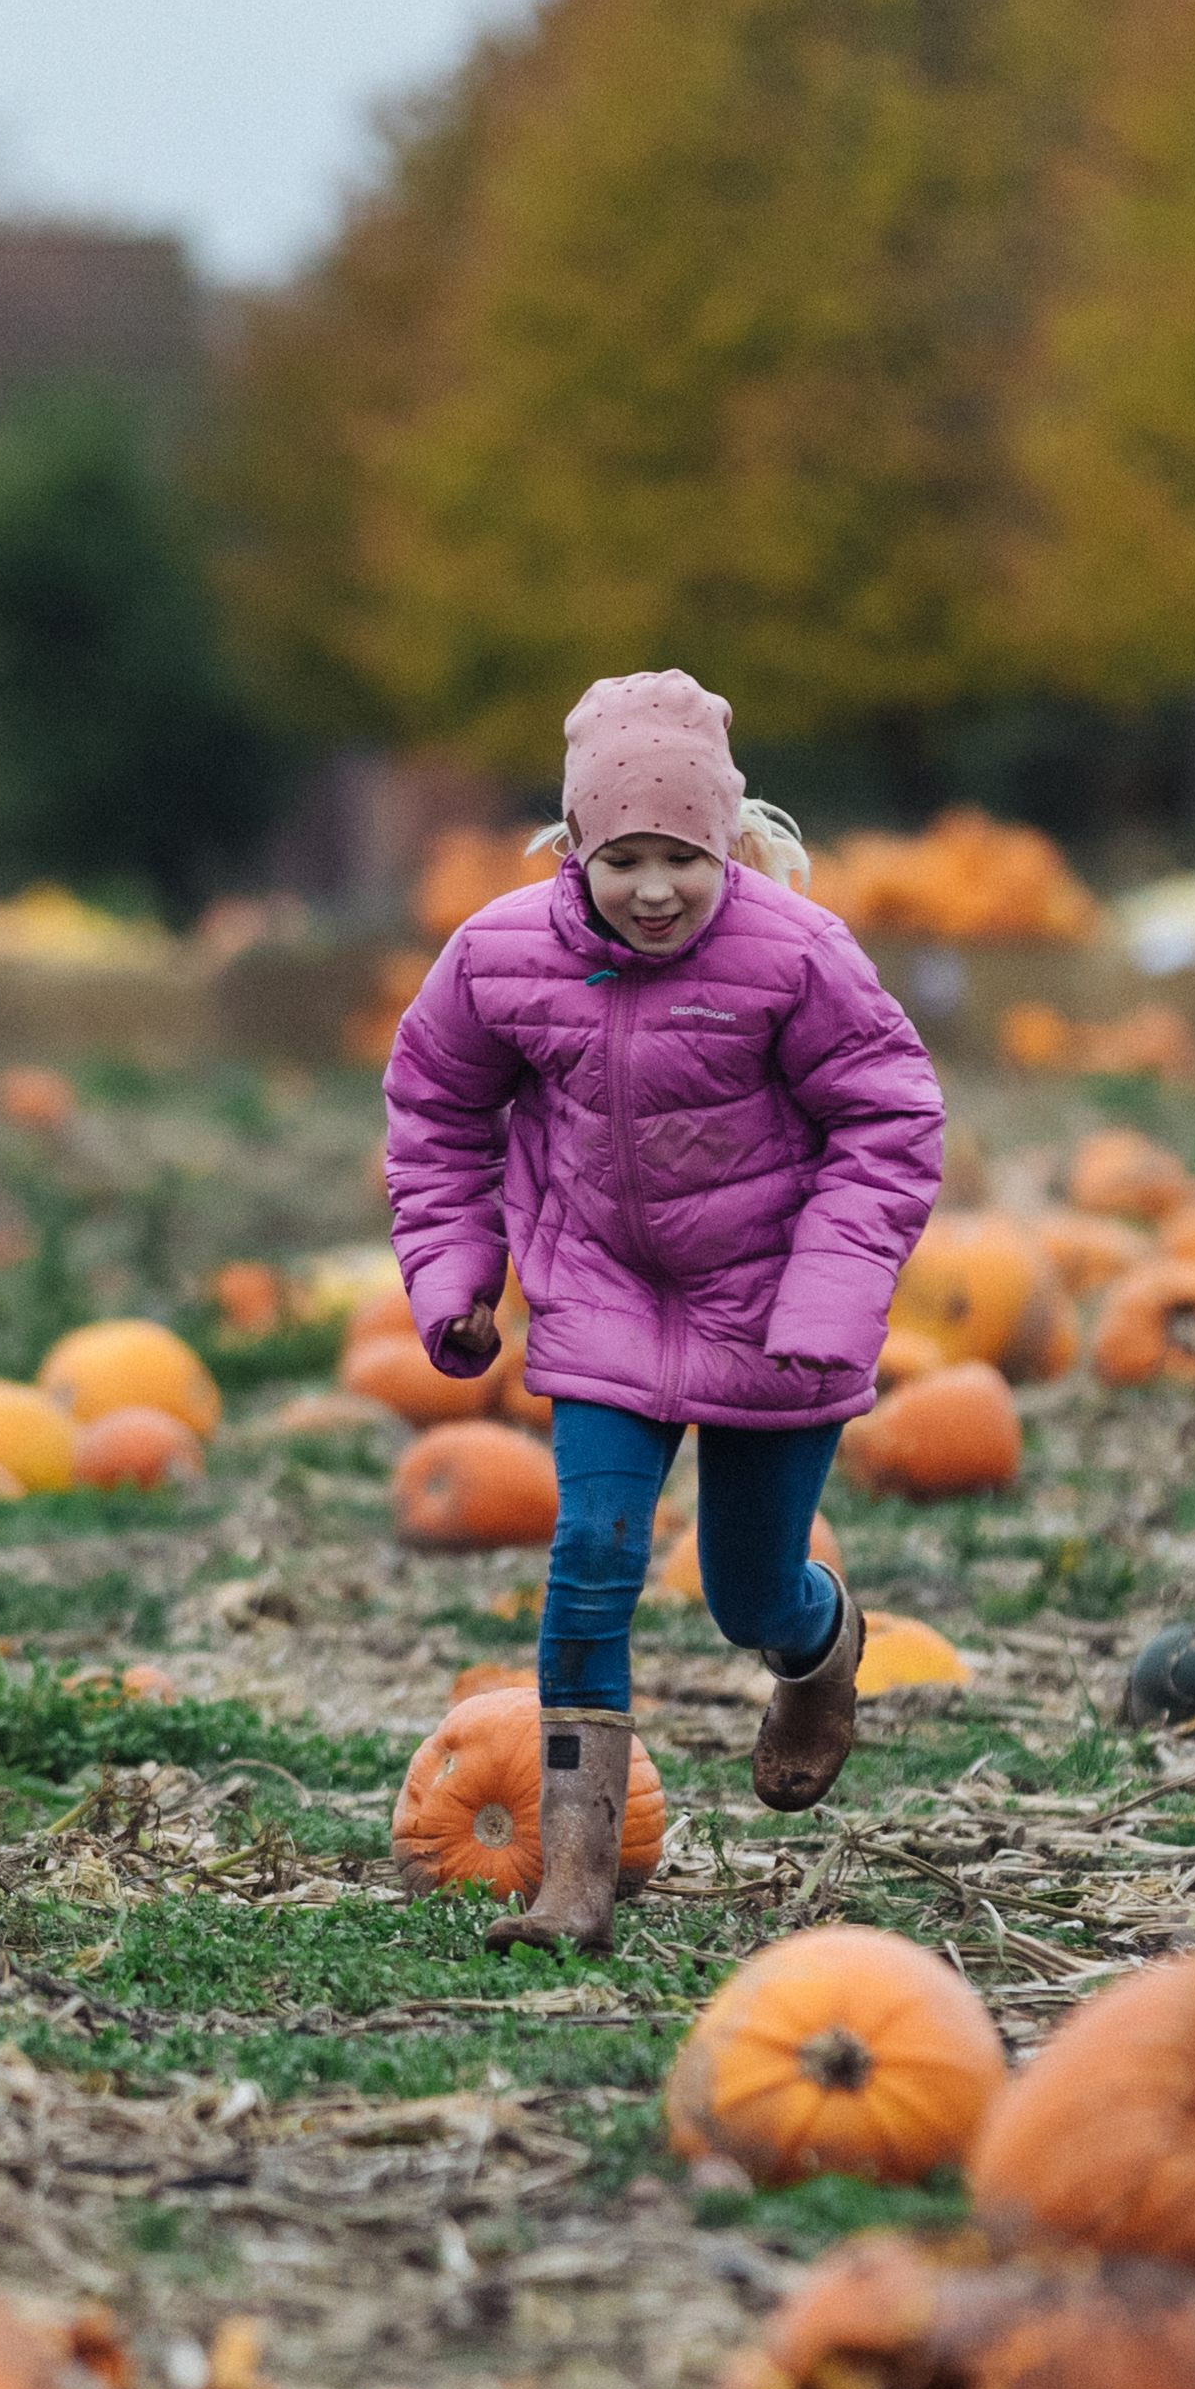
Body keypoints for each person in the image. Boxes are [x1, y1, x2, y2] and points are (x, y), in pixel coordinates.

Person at [380, 667, 945, 1949]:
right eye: (623, 855)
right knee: (590, 1561)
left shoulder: (794, 955)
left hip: (772, 1307)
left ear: (727, 844)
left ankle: (818, 1645)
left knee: (748, 1590)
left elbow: (890, 1117)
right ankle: (573, 1882)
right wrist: (459, 1275)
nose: (652, 888)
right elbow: (436, 1114)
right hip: (603, 1296)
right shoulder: (500, 957)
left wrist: (831, 1294)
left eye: (682, 858)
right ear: (573, 846)